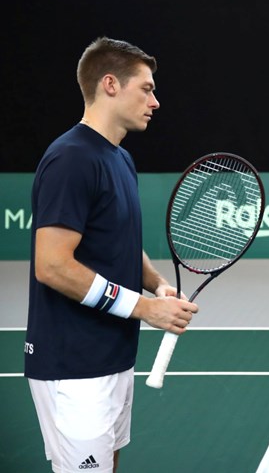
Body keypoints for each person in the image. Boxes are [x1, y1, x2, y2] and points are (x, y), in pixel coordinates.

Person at [25, 37, 199, 473]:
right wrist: (146, 309)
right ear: (110, 85)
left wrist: (156, 284)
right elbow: (52, 265)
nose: (155, 101)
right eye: (147, 88)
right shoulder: (71, 159)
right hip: (74, 366)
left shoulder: (119, 158)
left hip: (113, 356)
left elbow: (116, 240)